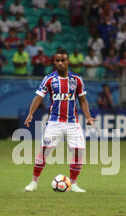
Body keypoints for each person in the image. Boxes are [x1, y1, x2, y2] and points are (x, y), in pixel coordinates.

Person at [24, 48, 96, 193]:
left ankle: (74, 184)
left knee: (79, 151)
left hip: (72, 122)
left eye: (63, 60)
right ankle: (34, 182)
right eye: (57, 60)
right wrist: (30, 114)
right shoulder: (49, 79)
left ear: (68, 61)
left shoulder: (77, 80)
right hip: (54, 122)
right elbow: (39, 97)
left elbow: (82, 100)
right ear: (54, 62)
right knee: (44, 151)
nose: (60, 63)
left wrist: (88, 116)